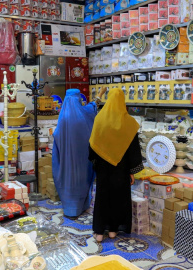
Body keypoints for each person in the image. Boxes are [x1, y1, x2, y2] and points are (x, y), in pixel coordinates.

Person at [88, 88, 143, 242]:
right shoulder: (130, 123)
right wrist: (132, 171)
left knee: (102, 198)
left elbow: (92, 145)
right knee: (118, 199)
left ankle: (99, 233)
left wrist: (95, 162)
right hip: (122, 169)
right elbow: (134, 151)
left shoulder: (100, 119)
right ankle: (113, 230)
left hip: (103, 169)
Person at [52, 89, 97, 217]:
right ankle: (81, 206)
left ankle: (69, 209)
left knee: (67, 181)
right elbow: (90, 111)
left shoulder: (64, 116)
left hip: (66, 161)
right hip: (82, 159)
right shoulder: (82, 116)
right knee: (81, 182)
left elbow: (57, 135)